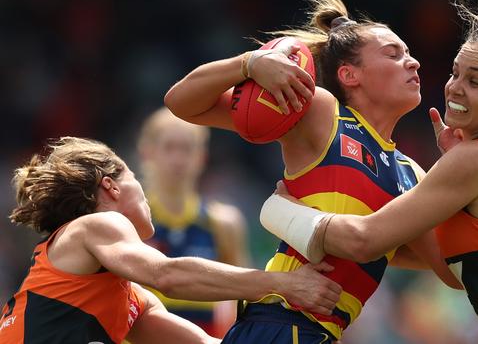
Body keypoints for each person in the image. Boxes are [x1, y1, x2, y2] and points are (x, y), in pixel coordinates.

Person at [260, 2, 478, 344]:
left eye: (475, 81)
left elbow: (365, 240)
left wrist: (278, 210)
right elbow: (456, 269)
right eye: (455, 73)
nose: (455, 88)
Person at [165, 0, 460, 344]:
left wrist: (461, 169)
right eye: (393, 54)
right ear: (350, 75)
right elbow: (182, 103)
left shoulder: (410, 173)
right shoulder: (321, 113)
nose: (412, 62)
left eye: (410, 54)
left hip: (321, 334)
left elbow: (450, 269)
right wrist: (248, 64)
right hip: (278, 323)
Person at [0, 136, 341, 344]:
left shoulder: (128, 300)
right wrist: (284, 284)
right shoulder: (97, 225)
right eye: (134, 177)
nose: (144, 192)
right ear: (111, 186)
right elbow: (168, 276)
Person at [138, 107, 250, 338]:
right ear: (147, 153)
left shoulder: (223, 223)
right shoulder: (129, 222)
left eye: (187, 149)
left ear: (201, 158)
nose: (178, 159)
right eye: (169, 147)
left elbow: (246, 295)